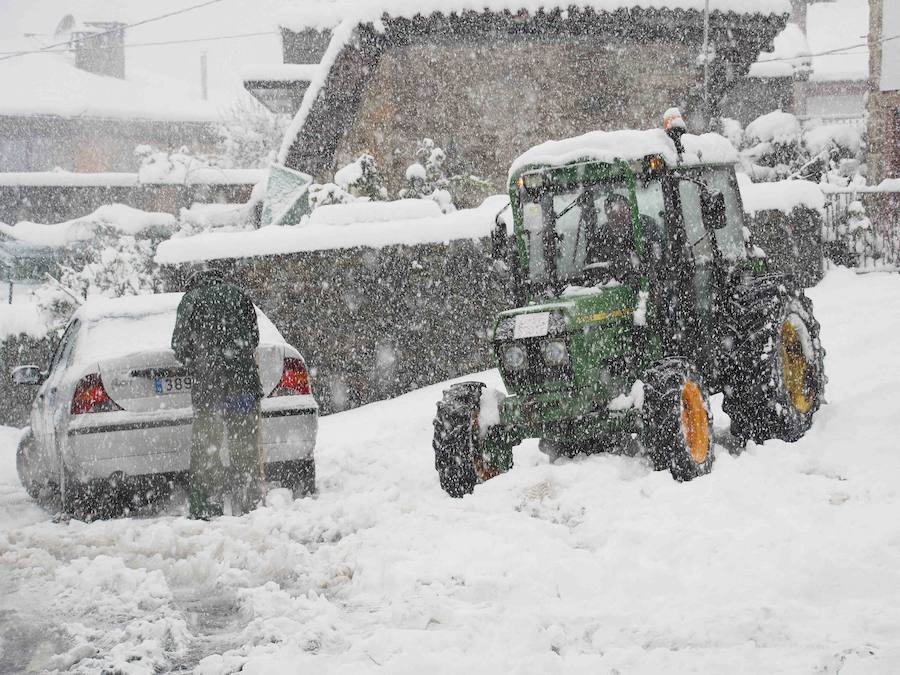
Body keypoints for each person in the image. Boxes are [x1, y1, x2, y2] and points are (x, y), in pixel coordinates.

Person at [172, 268, 264, 519]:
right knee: (244, 446)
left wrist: (199, 362)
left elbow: (179, 346)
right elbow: (254, 338)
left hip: (208, 389)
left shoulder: (190, 300)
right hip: (243, 385)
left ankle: (207, 507)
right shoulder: (240, 295)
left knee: (207, 450)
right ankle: (248, 503)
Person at [585, 192, 638, 283]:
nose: (618, 221)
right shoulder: (600, 236)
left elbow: (660, 263)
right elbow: (592, 267)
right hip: (613, 289)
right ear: (607, 216)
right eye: (613, 217)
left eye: (622, 216)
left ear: (630, 212)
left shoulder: (645, 230)